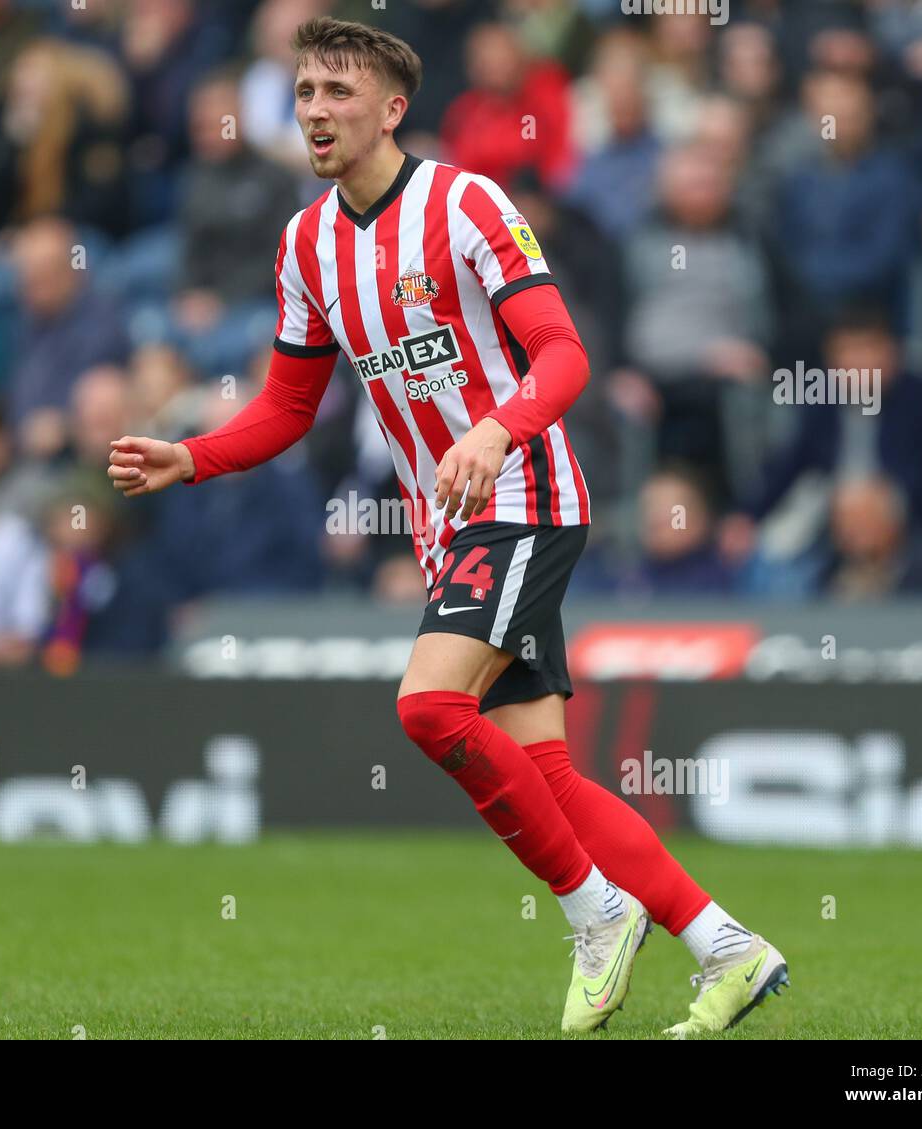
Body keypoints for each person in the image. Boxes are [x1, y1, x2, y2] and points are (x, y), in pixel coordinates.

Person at [106, 16, 787, 1037]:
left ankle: (596, 912)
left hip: (526, 497)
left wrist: (494, 431)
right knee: (545, 771)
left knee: (426, 709)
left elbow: (563, 355)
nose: (317, 111)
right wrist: (191, 454)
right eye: (303, 93)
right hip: (451, 530)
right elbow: (290, 408)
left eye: (339, 92)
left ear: (391, 109)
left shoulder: (467, 203)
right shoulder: (305, 244)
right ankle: (728, 949)